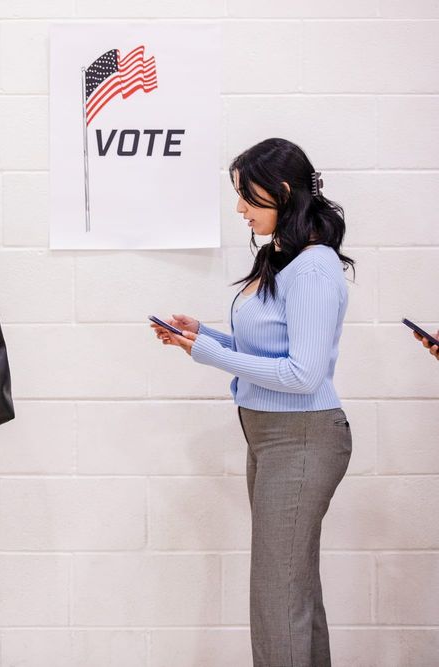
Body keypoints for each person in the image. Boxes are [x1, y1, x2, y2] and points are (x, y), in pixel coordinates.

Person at [150, 138, 354, 667]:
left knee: (276, 597)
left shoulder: (312, 268)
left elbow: (303, 374)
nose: (239, 209)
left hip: (302, 436)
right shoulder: (283, 261)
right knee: (291, 590)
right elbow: (271, 353)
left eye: (246, 197)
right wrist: (205, 336)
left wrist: (210, 354)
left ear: (282, 193)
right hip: (271, 434)